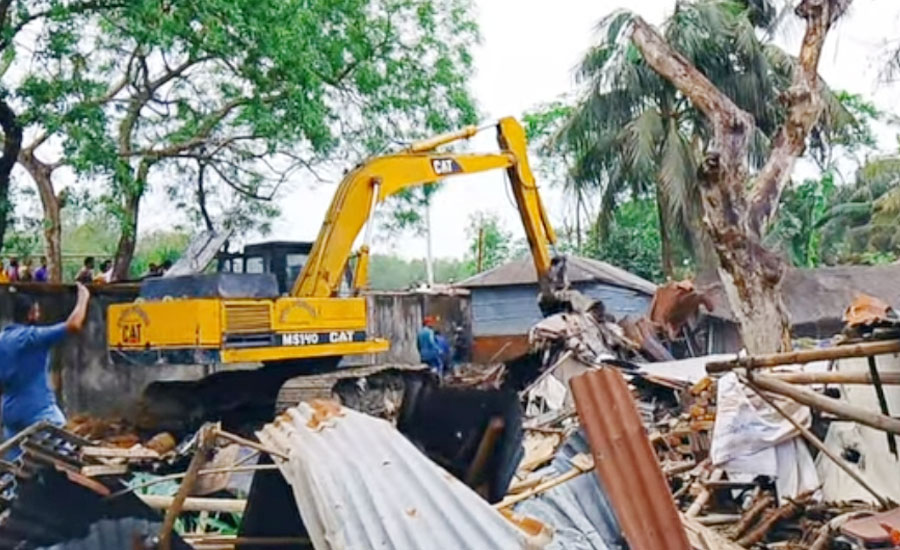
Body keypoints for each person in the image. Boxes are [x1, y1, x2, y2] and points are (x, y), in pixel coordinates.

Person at [0, 283, 90, 454]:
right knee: (65, 457)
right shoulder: (31, 337)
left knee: (16, 467)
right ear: (32, 313)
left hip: (10, 412)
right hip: (38, 410)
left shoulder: (2, 339)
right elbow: (73, 325)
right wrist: (84, 296)